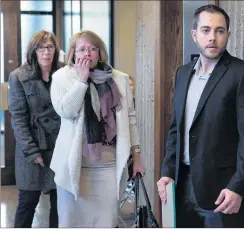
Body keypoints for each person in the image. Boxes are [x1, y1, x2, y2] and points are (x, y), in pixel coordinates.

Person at [157, 4, 244, 228]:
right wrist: (167, 172)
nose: (213, 37)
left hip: (223, 191)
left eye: (220, 31)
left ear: (228, 34)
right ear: (194, 34)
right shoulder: (183, 73)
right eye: (206, 30)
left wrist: (239, 186)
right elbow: (176, 128)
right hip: (182, 184)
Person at [49, 30, 145, 227]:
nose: (87, 53)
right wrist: (82, 81)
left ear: (101, 53)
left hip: (108, 167)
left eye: (93, 49)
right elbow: (66, 111)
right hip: (73, 167)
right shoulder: (61, 77)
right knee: (71, 222)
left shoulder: (120, 79)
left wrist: (137, 157)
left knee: (106, 222)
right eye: (82, 49)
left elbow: (130, 119)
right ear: (73, 53)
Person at [8, 30, 62, 228]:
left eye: (49, 47)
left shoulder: (64, 73)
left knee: (60, 203)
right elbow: (18, 118)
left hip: (59, 147)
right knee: (28, 200)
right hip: (32, 147)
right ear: (33, 50)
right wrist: (32, 151)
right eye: (40, 47)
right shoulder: (19, 77)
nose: (45, 52)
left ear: (56, 50)